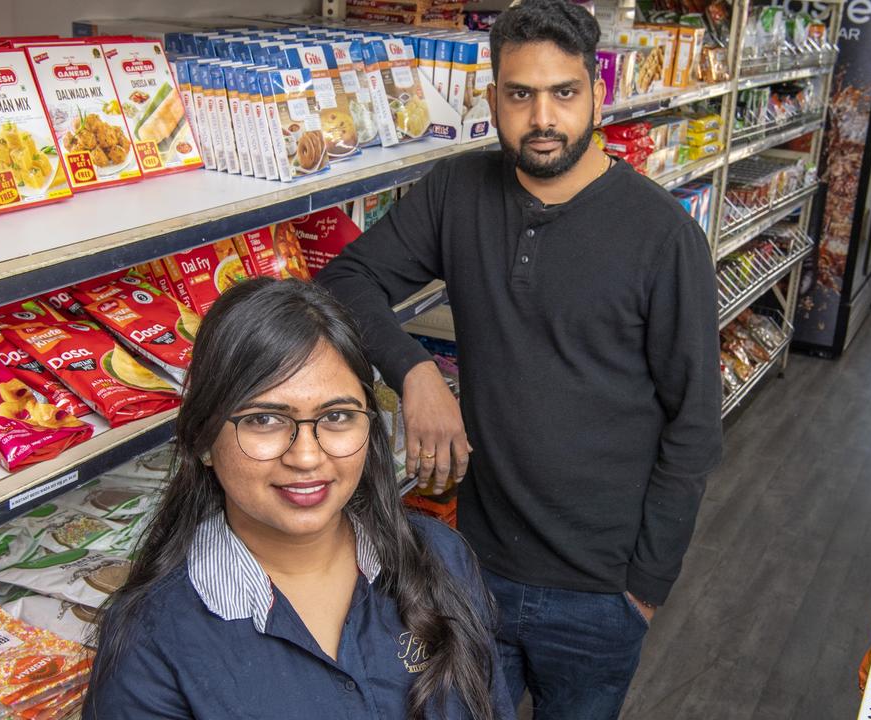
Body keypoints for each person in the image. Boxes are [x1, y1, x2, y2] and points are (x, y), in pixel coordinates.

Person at [317, 0, 724, 716]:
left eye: (564, 93)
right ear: (492, 97)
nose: (542, 118)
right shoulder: (457, 192)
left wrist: (644, 588)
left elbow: (694, 424)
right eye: (520, 94)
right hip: (477, 567)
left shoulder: (663, 237)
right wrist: (416, 374)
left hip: (599, 591)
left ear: (600, 92)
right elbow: (348, 280)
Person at [84, 278, 513, 720]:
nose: (307, 456)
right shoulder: (151, 638)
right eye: (265, 419)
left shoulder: (439, 556)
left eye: (337, 416)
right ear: (203, 440)